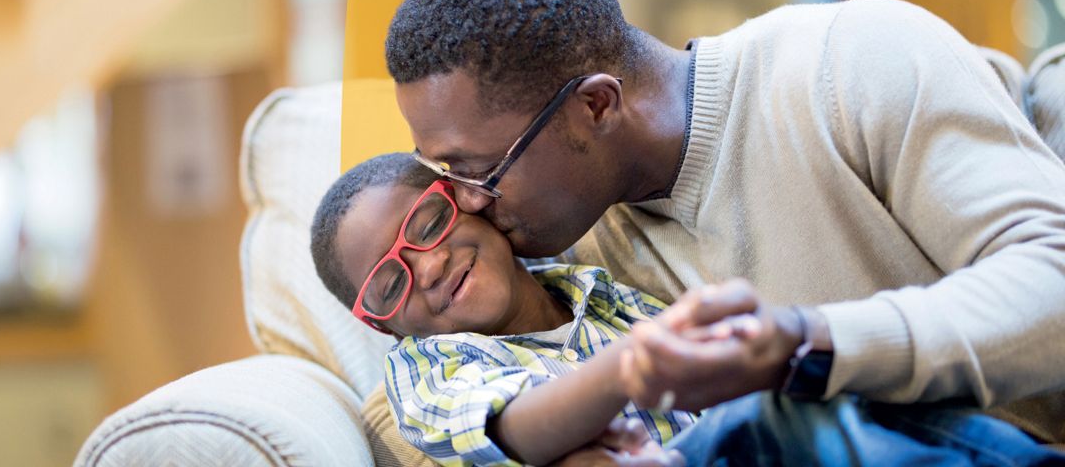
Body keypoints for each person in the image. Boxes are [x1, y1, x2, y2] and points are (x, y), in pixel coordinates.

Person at [383, 0, 1065, 443]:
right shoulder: (572, 257)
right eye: (447, 173)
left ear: (594, 107)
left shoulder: (851, 62)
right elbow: (417, 394)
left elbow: (1053, 283)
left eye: (478, 170)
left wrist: (808, 343)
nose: (466, 201)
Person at [308, 153, 1063, 466]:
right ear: (381, 322)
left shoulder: (596, 288)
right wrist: (630, 370)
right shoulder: (427, 367)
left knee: (844, 384)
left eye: (429, 226)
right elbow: (515, 431)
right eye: (389, 282)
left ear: (469, 204)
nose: (429, 264)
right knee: (786, 416)